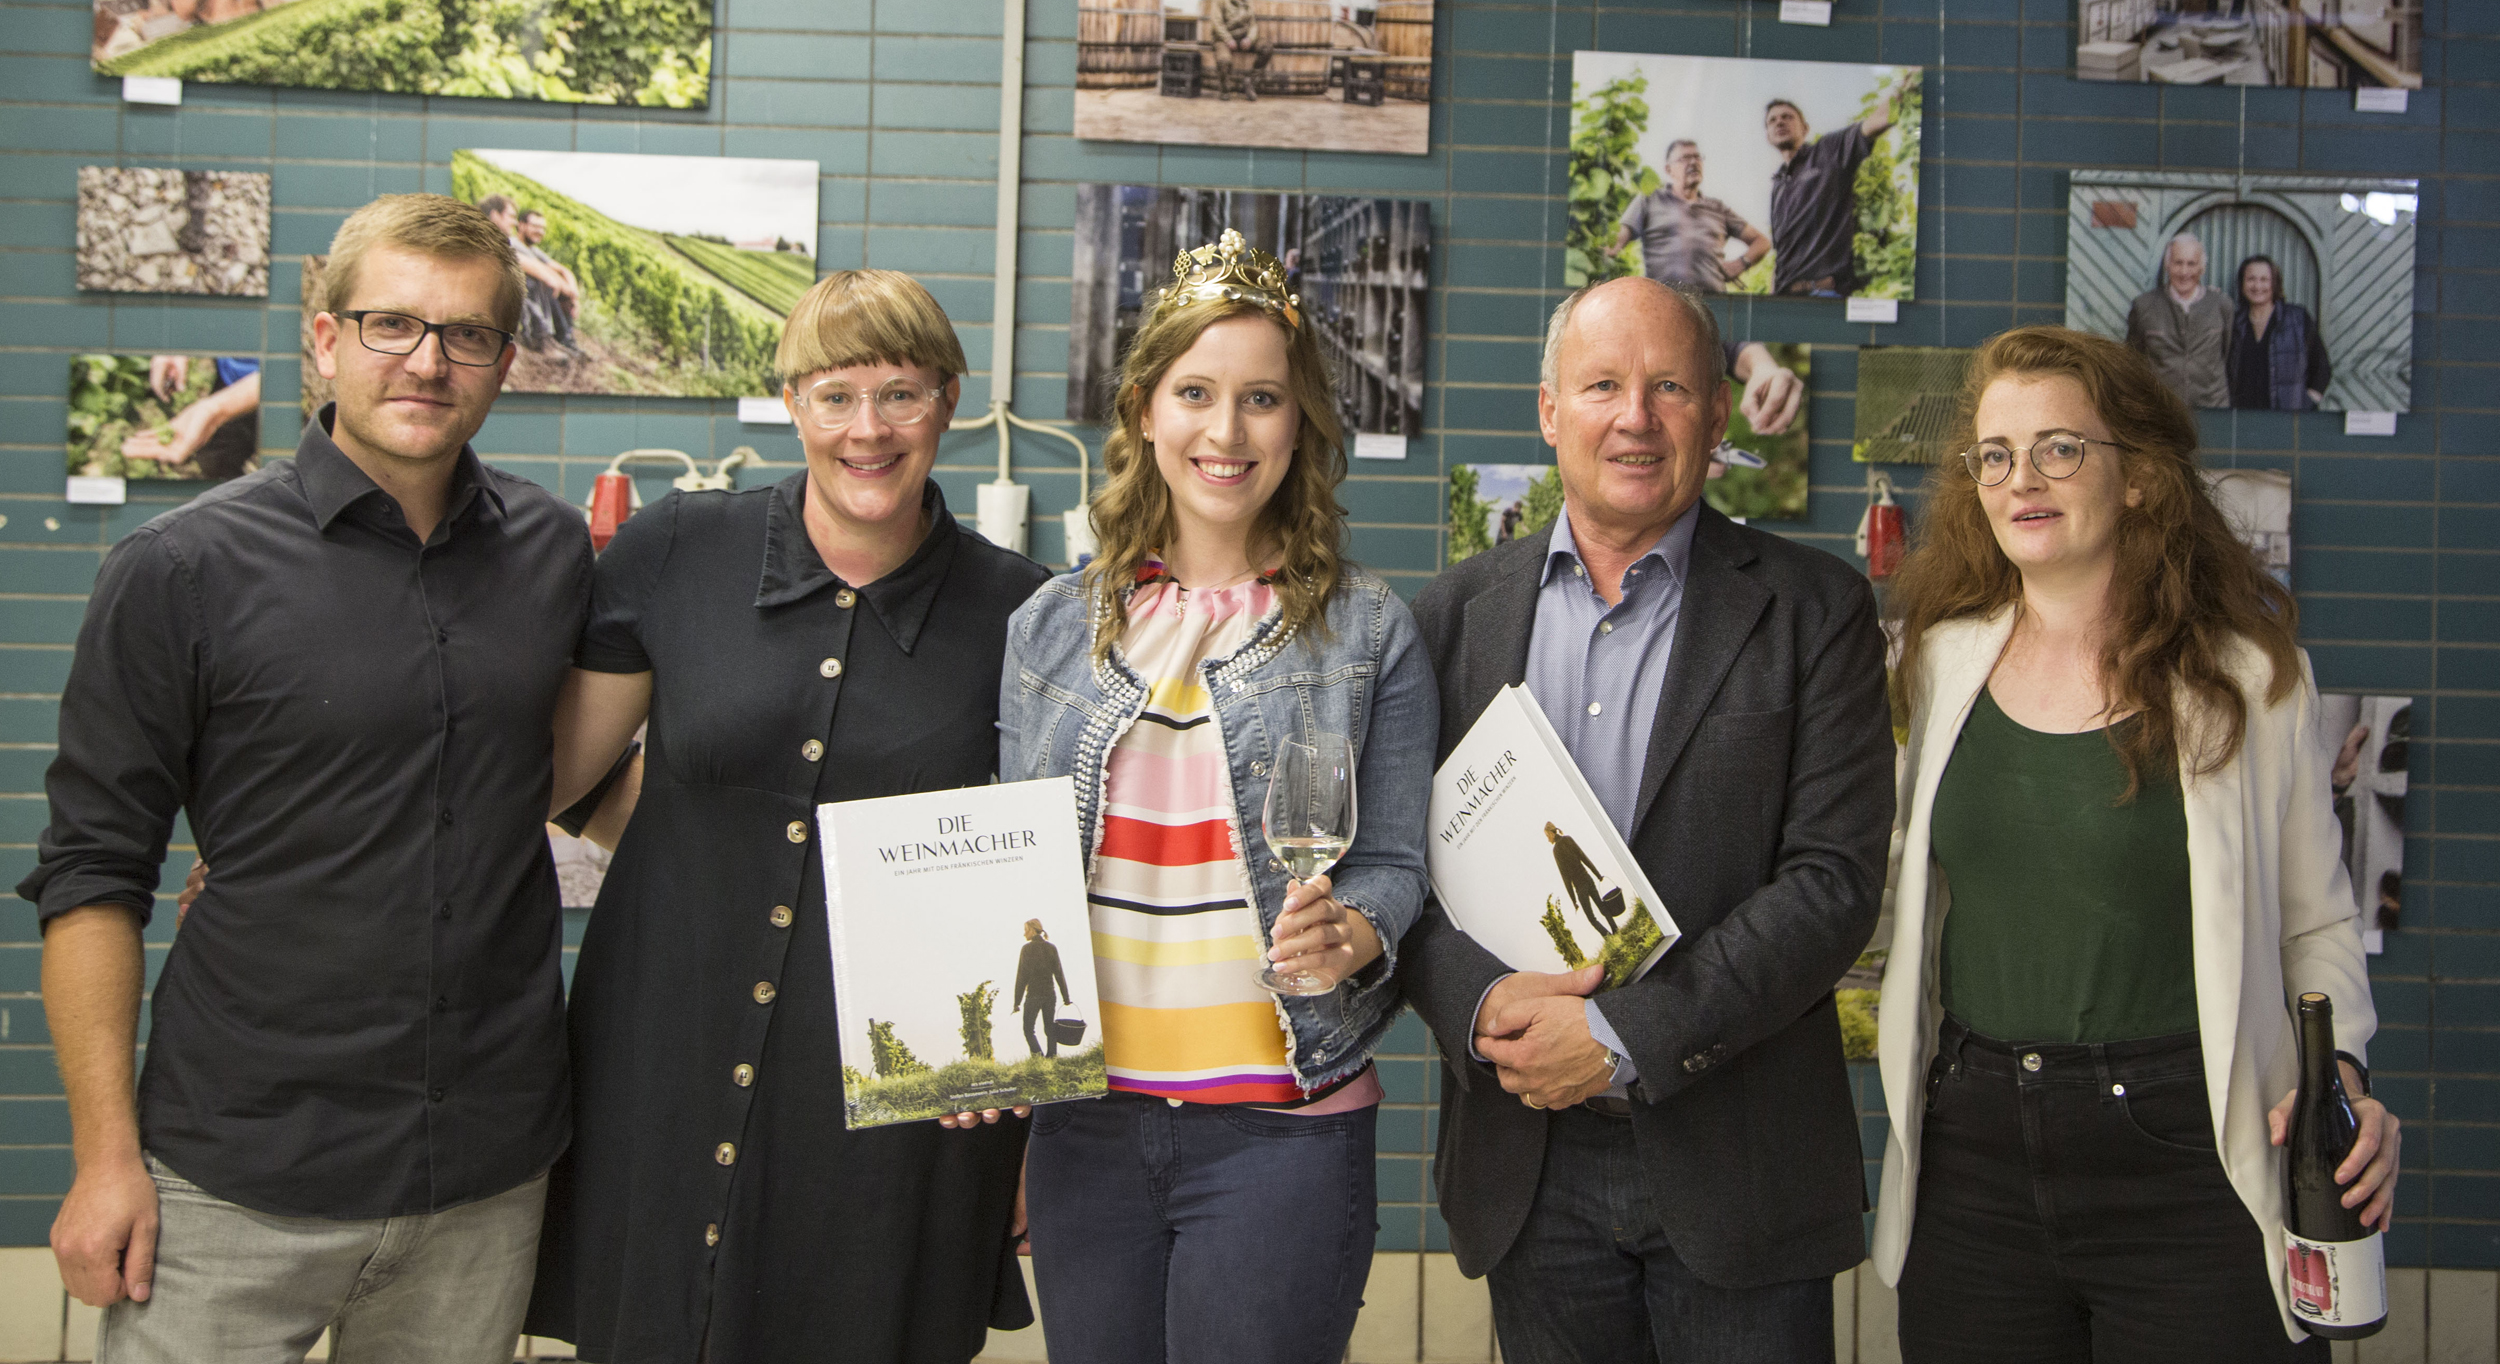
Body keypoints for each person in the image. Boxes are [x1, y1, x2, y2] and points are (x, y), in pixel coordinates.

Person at [22, 193, 587, 1363]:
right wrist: (104, 1158)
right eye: (391, 324)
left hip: (480, 1170)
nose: (427, 361)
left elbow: (579, 775)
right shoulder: (180, 567)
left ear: (502, 360)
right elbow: (92, 874)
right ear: (324, 341)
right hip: (238, 1170)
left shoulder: (552, 553)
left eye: (466, 333)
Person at [525, 270, 1048, 1362]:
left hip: (899, 1099)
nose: (869, 429)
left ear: (949, 400)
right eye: (835, 394)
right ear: (791, 401)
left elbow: (1031, 877)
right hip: (664, 1046)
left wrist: (1025, 1125)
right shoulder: (675, 550)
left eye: (901, 394)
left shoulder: (1023, 610)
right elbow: (555, 773)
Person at [1871, 325, 2399, 1360]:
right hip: (1972, 1154)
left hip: (2188, 1151)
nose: (2021, 476)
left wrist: (2339, 1074)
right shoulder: (1934, 664)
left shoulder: (2250, 679)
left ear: (2144, 478)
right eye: (1995, 454)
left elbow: (2321, 919)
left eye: (2059, 447)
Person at [1398, 275, 1895, 1360]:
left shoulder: (1818, 609)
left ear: (1717, 414)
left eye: (1670, 385)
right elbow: (1400, 875)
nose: (1635, 414)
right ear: (1547, 411)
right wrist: (1478, 1005)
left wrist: (1624, 1035)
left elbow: (1833, 882)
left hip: (1740, 1158)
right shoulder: (1448, 616)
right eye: (1603, 384)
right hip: (1526, 1160)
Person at [999, 229, 1437, 1364]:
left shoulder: (1368, 628)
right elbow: (1009, 874)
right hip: (1087, 1126)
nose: (1226, 431)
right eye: (1196, 393)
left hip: (1281, 1134)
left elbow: (1395, 863)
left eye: (1261, 399)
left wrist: (1357, 928)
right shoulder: (1050, 626)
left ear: (1300, 425)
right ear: (1146, 410)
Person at [1763, 73, 1918, 297]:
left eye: (1787, 117)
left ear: (1805, 128)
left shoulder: (1828, 151)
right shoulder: (1778, 185)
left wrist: (1908, 85)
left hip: (1822, 294)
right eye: (1772, 120)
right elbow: (1780, 253)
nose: (1780, 122)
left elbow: (1876, 121)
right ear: (1768, 136)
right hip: (1784, 299)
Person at [1609, 139, 1769, 293]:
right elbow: (1619, 239)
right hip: (1664, 302)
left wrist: (1740, 264)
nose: (1693, 162)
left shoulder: (1717, 208)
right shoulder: (1649, 199)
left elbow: (1761, 242)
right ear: (1668, 169)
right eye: (1685, 158)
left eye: (1697, 157)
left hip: (1713, 303)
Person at [2125, 233, 2231, 410]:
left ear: (2202, 268)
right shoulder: (2144, 306)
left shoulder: (2221, 305)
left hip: (2212, 407)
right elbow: (2133, 359)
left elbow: (2229, 355)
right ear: (2167, 265)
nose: (2184, 272)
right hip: (2161, 408)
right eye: (2178, 263)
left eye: (2191, 264)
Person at [115, 355, 261, 479]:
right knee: (214, 463)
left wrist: (216, 409)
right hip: (232, 378)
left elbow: (283, 373)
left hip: (275, 387)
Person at [476, 194, 580, 354]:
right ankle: (542, 339)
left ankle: (555, 338)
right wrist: (550, 280)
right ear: (495, 215)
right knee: (529, 282)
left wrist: (565, 289)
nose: (514, 222)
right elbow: (519, 260)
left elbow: (534, 265)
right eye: (511, 216)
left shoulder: (499, 239)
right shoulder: (485, 237)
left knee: (535, 281)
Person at [2227, 254, 2330, 411]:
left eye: (2264, 280)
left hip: (2286, 419)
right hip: (2242, 416)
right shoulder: (2234, 323)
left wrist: (2307, 402)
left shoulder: (2298, 319)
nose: (2257, 286)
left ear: (2274, 283)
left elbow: (2322, 367)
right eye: (2251, 279)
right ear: (2242, 284)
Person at [517, 210, 585, 356]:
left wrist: (574, 295)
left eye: (543, 228)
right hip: (524, 296)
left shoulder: (534, 250)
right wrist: (566, 290)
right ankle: (560, 339)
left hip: (536, 296)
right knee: (549, 287)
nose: (540, 231)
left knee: (564, 293)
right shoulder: (514, 244)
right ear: (521, 225)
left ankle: (566, 339)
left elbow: (563, 271)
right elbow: (543, 272)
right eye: (535, 226)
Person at [1544, 822, 1623, 940]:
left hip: (1580, 887)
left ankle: (1610, 938)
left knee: (1591, 918)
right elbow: (1583, 857)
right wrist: (1597, 875)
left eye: (1547, 836)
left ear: (1551, 833)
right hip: (1588, 878)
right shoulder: (1568, 839)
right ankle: (1616, 931)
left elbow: (1565, 877)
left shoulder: (1556, 850)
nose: (1547, 839)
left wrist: (1573, 900)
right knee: (1602, 907)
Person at [1016, 920, 1071, 1058]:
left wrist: (1017, 1001)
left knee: (1028, 1029)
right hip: (1049, 994)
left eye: (1026, 930)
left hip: (1034, 995)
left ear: (1033, 930)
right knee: (1049, 1028)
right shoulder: (1051, 948)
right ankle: (1052, 1057)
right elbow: (1059, 974)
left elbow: (1021, 977)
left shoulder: (1026, 949)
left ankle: (1038, 1057)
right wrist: (1066, 997)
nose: (1024, 934)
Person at [1205, 0, 1270, 102]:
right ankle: (1225, 90)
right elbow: (1217, 23)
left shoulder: (1247, 2)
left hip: (1243, 38)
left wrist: (1249, 38)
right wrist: (1228, 39)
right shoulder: (1220, 2)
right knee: (1223, 60)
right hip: (1223, 39)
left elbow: (1253, 24)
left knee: (1266, 47)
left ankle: (1250, 82)